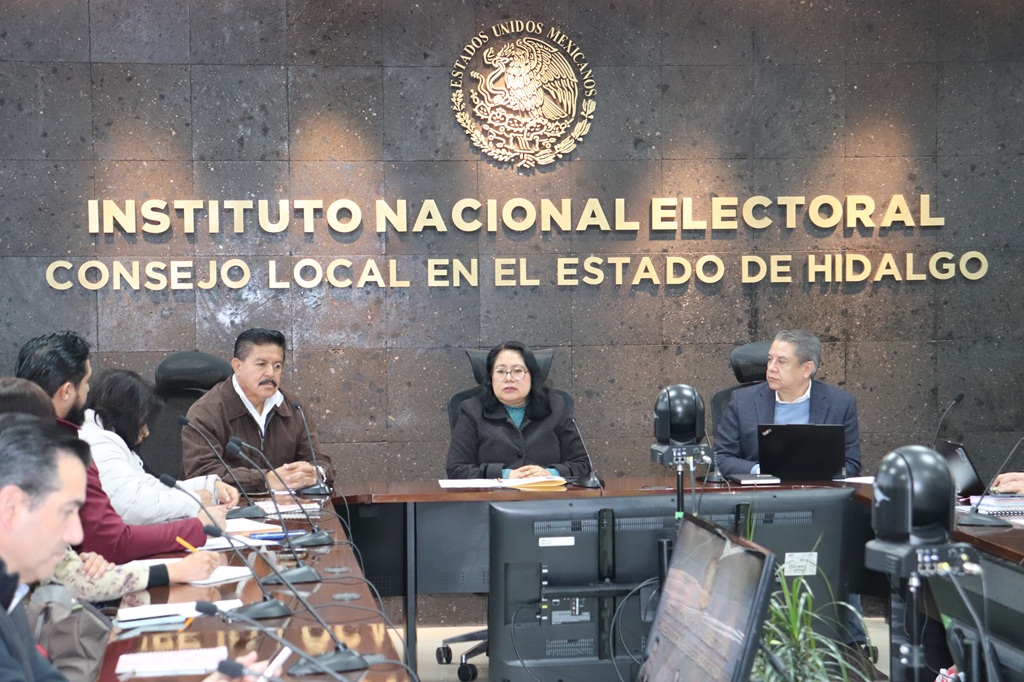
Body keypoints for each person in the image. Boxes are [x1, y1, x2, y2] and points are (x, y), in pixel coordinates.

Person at [0, 376, 220, 602]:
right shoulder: (90, 447)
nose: (75, 534)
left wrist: (83, 562)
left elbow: (77, 571)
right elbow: (88, 576)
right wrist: (172, 570)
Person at [16, 332, 216, 563]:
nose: (89, 392)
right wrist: (197, 529)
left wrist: (205, 488)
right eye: (87, 383)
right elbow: (112, 542)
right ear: (67, 391)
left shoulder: (22, 436)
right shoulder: (64, 450)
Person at [182, 328, 334, 493]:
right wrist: (266, 480)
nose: (270, 373)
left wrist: (315, 474)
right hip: (225, 511)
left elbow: (318, 460)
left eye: (277, 366)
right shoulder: (206, 412)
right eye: (261, 364)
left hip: (286, 510)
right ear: (237, 366)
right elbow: (202, 473)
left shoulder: (294, 408)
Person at [81, 369, 239, 525]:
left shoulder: (106, 436)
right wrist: (195, 501)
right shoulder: (99, 442)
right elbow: (137, 506)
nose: (146, 432)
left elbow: (149, 487)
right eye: (142, 421)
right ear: (125, 416)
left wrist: (210, 486)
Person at [713, 330, 862, 477]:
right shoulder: (743, 401)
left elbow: (851, 464)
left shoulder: (840, 404)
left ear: (806, 369)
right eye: (770, 359)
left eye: (781, 361)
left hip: (815, 494)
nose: (771, 368)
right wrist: (761, 471)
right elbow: (721, 458)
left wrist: (813, 472)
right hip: (760, 494)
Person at [445, 341, 591, 480]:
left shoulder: (556, 406)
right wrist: (505, 475)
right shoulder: (472, 410)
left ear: (532, 375)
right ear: (491, 377)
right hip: (492, 501)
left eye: (517, 371)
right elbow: (456, 469)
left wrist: (550, 473)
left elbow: (582, 465)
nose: (509, 378)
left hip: (547, 500)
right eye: (500, 371)